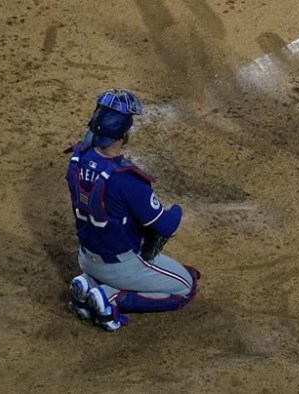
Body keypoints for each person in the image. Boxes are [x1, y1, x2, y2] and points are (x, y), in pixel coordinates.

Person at [64, 89, 199, 331]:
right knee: (186, 284)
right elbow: (165, 225)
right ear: (124, 135)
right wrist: (176, 209)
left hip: (86, 255)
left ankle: (88, 283)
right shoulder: (127, 179)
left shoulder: (76, 158)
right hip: (121, 265)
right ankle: (109, 296)